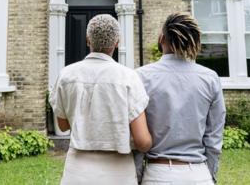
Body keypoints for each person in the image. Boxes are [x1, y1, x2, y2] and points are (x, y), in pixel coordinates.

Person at [50, 14, 152, 185]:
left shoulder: (66, 75)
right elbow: (142, 141)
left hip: (77, 172)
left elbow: (63, 126)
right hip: (119, 173)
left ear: (87, 40)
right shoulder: (129, 77)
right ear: (117, 42)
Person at [136, 12, 226, 185]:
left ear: (162, 38)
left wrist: (138, 176)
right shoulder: (210, 78)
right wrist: (210, 176)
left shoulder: (141, 77)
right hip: (198, 175)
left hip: (157, 174)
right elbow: (214, 139)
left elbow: (136, 140)